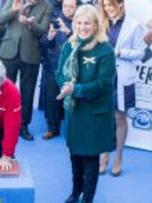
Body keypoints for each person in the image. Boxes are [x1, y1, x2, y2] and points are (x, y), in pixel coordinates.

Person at [55, 5, 116, 203]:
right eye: (79, 23)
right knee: (75, 154)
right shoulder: (68, 46)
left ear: (96, 25)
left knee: (90, 159)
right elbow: (59, 73)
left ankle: (87, 198)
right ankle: (75, 193)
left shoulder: (105, 50)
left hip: (95, 113)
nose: (82, 27)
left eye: (87, 23)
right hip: (75, 112)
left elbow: (104, 84)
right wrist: (65, 85)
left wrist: (76, 89)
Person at [98, 0, 146, 176]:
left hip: (123, 77)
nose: (107, 9)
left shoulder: (134, 25)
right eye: (105, 6)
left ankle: (118, 157)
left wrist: (120, 53)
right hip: (103, 77)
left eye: (111, 5)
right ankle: (103, 155)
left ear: (121, 5)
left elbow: (141, 53)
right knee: (103, 117)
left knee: (119, 118)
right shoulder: (101, 23)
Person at [0, 0, 51, 141]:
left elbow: (43, 30)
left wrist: (30, 24)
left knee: (27, 92)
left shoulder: (46, 6)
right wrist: (13, 10)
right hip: (9, 51)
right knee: (4, 91)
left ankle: (23, 126)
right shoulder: (13, 1)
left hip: (31, 54)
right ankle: (1, 125)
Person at [40, 0, 77, 140]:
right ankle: (52, 128)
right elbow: (44, 43)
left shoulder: (81, 23)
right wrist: (49, 37)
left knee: (73, 100)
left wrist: (69, 32)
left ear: (76, 7)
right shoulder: (53, 21)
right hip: (53, 66)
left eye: (71, 7)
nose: (67, 9)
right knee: (52, 99)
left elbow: (84, 43)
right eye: (65, 6)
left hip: (73, 69)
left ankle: (73, 130)